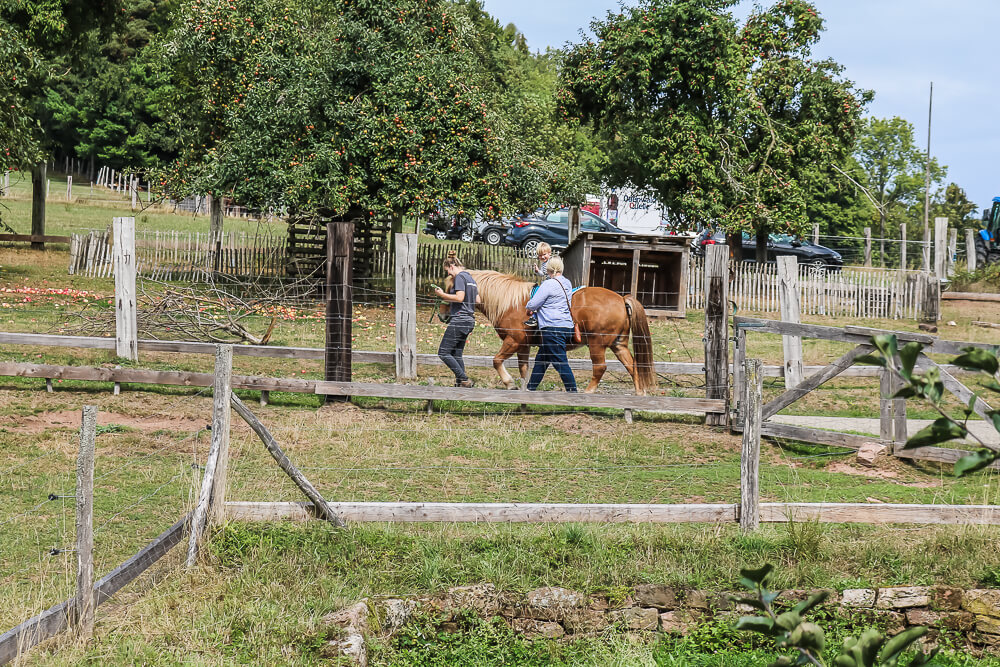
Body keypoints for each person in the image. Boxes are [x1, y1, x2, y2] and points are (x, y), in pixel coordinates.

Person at [524, 256, 578, 392]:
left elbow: (533, 303)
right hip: (566, 327)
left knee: (561, 363)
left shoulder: (548, 284)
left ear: (549, 269)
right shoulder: (567, 283)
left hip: (552, 328)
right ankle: (530, 390)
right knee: (541, 361)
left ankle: (574, 396)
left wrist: (529, 307)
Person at [434, 256, 478, 388]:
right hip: (469, 319)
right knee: (457, 354)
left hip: (460, 319)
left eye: (448, 270)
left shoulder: (459, 277)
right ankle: (461, 384)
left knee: (443, 352)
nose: (448, 273)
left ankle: (464, 379)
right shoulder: (471, 279)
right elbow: (478, 300)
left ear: (452, 266)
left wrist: (442, 295)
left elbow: (459, 297)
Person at [524, 243, 553, 327]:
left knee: (538, 297)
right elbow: (543, 274)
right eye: (540, 255)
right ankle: (535, 316)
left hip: (549, 284)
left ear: (549, 253)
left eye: (544, 254)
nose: (542, 257)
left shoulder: (551, 262)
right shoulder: (544, 263)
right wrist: (537, 271)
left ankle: (534, 317)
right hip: (546, 283)